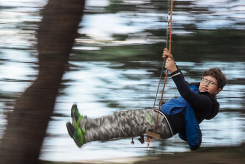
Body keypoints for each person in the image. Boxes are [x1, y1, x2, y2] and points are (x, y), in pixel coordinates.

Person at [66, 48, 227, 150]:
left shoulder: (208, 103)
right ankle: (84, 124)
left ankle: (84, 137)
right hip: (158, 116)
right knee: (121, 117)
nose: (206, 84)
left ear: (218, 90)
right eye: (205, 80)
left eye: (211, 83)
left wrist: (174, 71)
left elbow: (187, 95)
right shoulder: (195, 88)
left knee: (124, 127)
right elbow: (184, 84)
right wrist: (172, 62)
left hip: (164, 124)